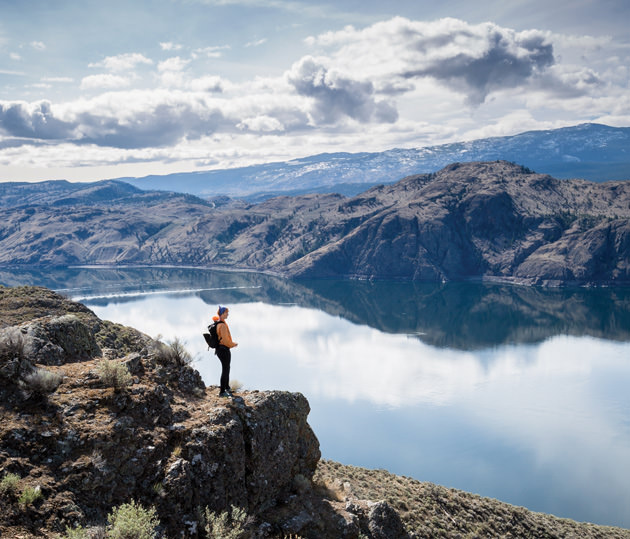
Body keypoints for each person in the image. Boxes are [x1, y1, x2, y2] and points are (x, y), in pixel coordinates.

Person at [212, 305, 238, 397]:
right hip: (223, 349)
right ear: (222, 314)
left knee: (227, 368)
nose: (228, 314)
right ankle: (222, 391)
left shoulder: (218, 323)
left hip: (220, 349)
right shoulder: (222, 325)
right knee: (225, 369)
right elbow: (226, 341)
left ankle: (226, 387)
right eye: (227, 312)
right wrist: (233, 344)